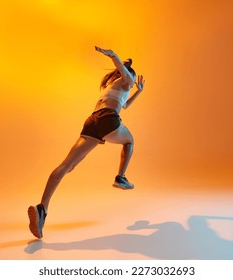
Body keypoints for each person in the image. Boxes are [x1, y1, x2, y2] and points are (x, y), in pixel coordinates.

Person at [27, 46, 145, 239]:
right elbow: (125, 75)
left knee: (67, 166)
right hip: (108, 119)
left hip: (92, 121)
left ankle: (42, 209)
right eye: (131, 84)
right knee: (129, 141)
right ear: (128, 77)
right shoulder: (126, 79)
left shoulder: (113, 87)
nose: (130, 86)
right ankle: (121, 177)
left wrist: (138, 92)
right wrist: (113, 55)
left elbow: (126, 105)